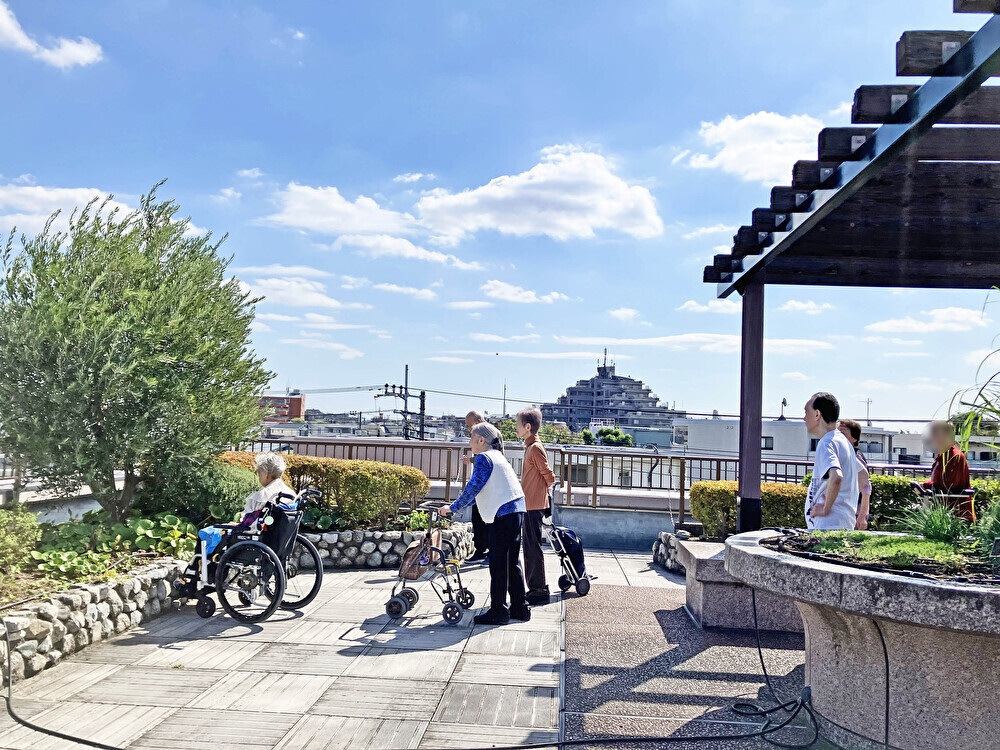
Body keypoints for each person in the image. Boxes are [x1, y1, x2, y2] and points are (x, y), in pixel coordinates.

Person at [440, 423, 529, 625]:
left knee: (498, 565)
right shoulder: (498, 456)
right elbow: (478, 493)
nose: (469, 442)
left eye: (471, 437)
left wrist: (452, 508)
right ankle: (520, 608)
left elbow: (473, 488)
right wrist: (456, 507)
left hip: (502, 514)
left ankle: (498, 611)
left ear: (481, 440)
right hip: (516, 510)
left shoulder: (483, 458)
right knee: (512, 563)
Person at [516, 408, 556, 606]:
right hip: (530, 503)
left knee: (532, 547)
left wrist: (542, 492)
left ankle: (539, 590)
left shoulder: (535, 448)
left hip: (533, 505)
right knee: (530, 546)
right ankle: (535, 588)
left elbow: (549, 475)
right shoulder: (530, 447)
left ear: (528, 427)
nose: (516, 428)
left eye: (518, 425)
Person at [804, 393, 859, 530]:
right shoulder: (842, 440)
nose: (804, 417)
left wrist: (825, 509)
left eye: (806, 412)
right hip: (843, 521)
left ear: (817, 414)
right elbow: (862, 473)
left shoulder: (827, 442)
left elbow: (836, 477)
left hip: (829, 524)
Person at [919, 420, 973, 520]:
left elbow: (949, 484)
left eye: (935, 434)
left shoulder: (955, 456)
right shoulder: (942, 455)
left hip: (956, 515)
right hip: (943, 512)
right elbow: (940, 479)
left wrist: (925, 485)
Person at [462, 410, 491, 563]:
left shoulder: (487, 435)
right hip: (485, 485)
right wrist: (471, 461)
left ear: (478, 420)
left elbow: (488, 459)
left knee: (482, 519)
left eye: (470, 425)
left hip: (486, 486)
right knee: (480, 518)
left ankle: (483, 551)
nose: (469, 429)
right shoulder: (488, 433)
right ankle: (484, 550)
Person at [837, 419, 872, 531]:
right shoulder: (841, 454)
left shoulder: (856, 457)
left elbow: (866, 488)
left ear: (854, 438)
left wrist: (862, 517)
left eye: (843, 433)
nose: (839, 436)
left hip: (853, 511)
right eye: (837, 432)